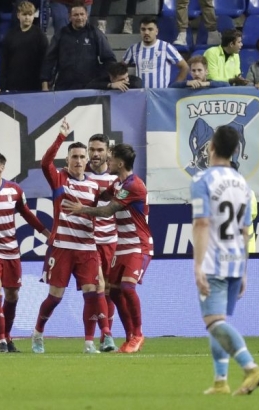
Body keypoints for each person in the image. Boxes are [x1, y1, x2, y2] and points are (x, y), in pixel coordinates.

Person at [190, 125, 259, 396]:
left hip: (213, 260)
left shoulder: (203, 180)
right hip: (235, 260)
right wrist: (244, 271)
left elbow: (201, 223)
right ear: (236, 150)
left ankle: (251, 368)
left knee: (213, 323)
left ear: (210, 147)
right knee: (219, 323)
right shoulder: (242, 184)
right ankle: (221, 381)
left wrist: (198, 265)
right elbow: (247, 230)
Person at [63, 143, 153, 354]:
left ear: (120, 163)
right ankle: (130, 335)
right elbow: (102, 195)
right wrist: (78, 183)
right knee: (113, 292)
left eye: (110, 158)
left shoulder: (134, 185)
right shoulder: (118, 184)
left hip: (138, 245)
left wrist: (81, 209)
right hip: (122, 247)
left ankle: (138, 334)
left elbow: (107, 210)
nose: (106, 161)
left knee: (128, 288)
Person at [31, 118, 108, 354]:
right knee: (55, 296)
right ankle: (38, 333)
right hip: (62, 246)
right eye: (74, 157)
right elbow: (45, 163)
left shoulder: (95, 187)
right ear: (68, 160)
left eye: (81, 157)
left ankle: (88, 342)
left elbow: (103, 210)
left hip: (86, 248)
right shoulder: (60, 179)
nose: (78, 161)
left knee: (92, 293)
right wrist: (60, 137)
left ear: (87, 161)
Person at [0, 151, 50, 353]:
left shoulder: (14, 190)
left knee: (12, 296)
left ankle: (8, 337)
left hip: (12, 251)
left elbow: (27, 214)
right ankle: (1, 340)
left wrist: (46, 233)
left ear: (2, 167)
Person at [84, 134, 118, 352]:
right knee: (97, 287)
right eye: (92, 150)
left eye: (99, 150)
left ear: (108, 152)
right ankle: (103, 336)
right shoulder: (80, 175)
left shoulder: (116, 178)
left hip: (112, 241)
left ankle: (104, 335)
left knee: (110, 291)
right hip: (89, 242)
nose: (95, 154)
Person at [40, 2, 116, 91]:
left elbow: (110, 59)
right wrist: (45, 83)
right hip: (64, 87)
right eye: (75, 15)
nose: (79, 18)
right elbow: (49, 60)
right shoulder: (61, 34)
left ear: (87, 15)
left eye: (82, 14)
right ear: (69, 17)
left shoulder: (95, 33)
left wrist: (100, 79)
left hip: (90, 89)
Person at [123, 16, 188, 88]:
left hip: (160, 96)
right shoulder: (133, 49)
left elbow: (185, 67)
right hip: (140, 95)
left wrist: (175, 87)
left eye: (150, 29)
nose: (146, 32)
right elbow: (120, 69)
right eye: (143, 29)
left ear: (156, 31)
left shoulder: (166, 47)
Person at [0, 1, 48, 92]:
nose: (27, 17)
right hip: (13, 85)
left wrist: (44, 84)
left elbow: (45, 62)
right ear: (18, 15)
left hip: (34, 85)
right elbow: (4, 61)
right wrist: (2, 84)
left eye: (30, 14)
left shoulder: (40, 36)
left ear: (33, 16)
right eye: (24, 14)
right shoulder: (10, 35)